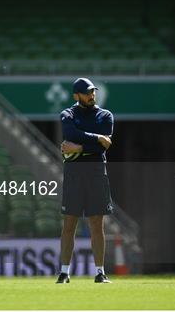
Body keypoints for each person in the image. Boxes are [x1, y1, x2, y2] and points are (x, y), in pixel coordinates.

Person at [56, 77, 114, 284]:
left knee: (97, 224)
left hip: (97, 170)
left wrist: (80, 147)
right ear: (76, 96)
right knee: (69, 222)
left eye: (93, 92)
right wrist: (96, 138)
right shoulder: (68, 114)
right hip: (74, 171)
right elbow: (70, 133)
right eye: (87, 92)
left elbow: (104, 146)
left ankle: (100, 272)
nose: (92, 95)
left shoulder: (105, 115)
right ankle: (64, 272)